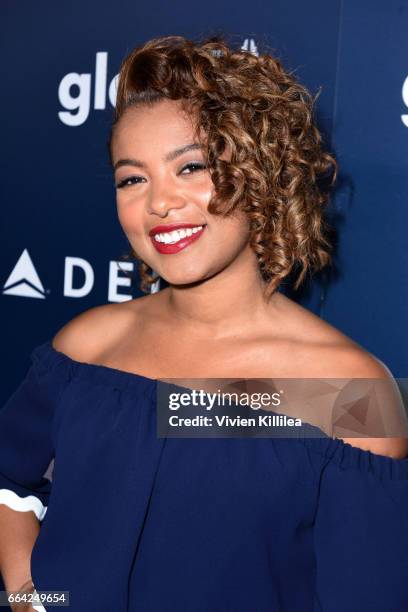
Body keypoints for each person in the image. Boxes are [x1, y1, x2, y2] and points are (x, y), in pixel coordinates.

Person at [1, 35, 408, 612]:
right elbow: (10, 486)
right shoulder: (86, 347)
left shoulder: (351, 393)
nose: (159, 203)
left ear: (260, 172)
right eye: (131, 179)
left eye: (190, 167)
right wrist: (31, 597)